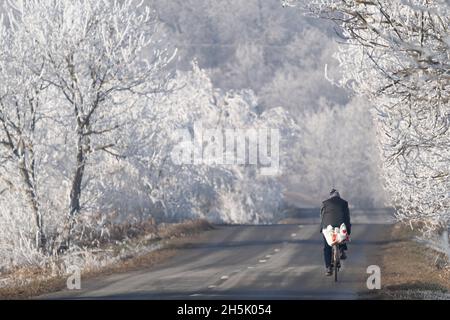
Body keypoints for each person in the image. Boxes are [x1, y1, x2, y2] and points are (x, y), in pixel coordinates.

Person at [320, 188, 351, 276]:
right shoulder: (344, 203)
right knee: (342, 234)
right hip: (340, 224)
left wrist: (321, 228)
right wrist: (348, 231)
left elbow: (322, 217)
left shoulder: (325, 203)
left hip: (327, 225)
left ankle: (328, 268)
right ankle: (341, 250)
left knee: (327, 246)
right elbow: (347, 218)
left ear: (330, 196)